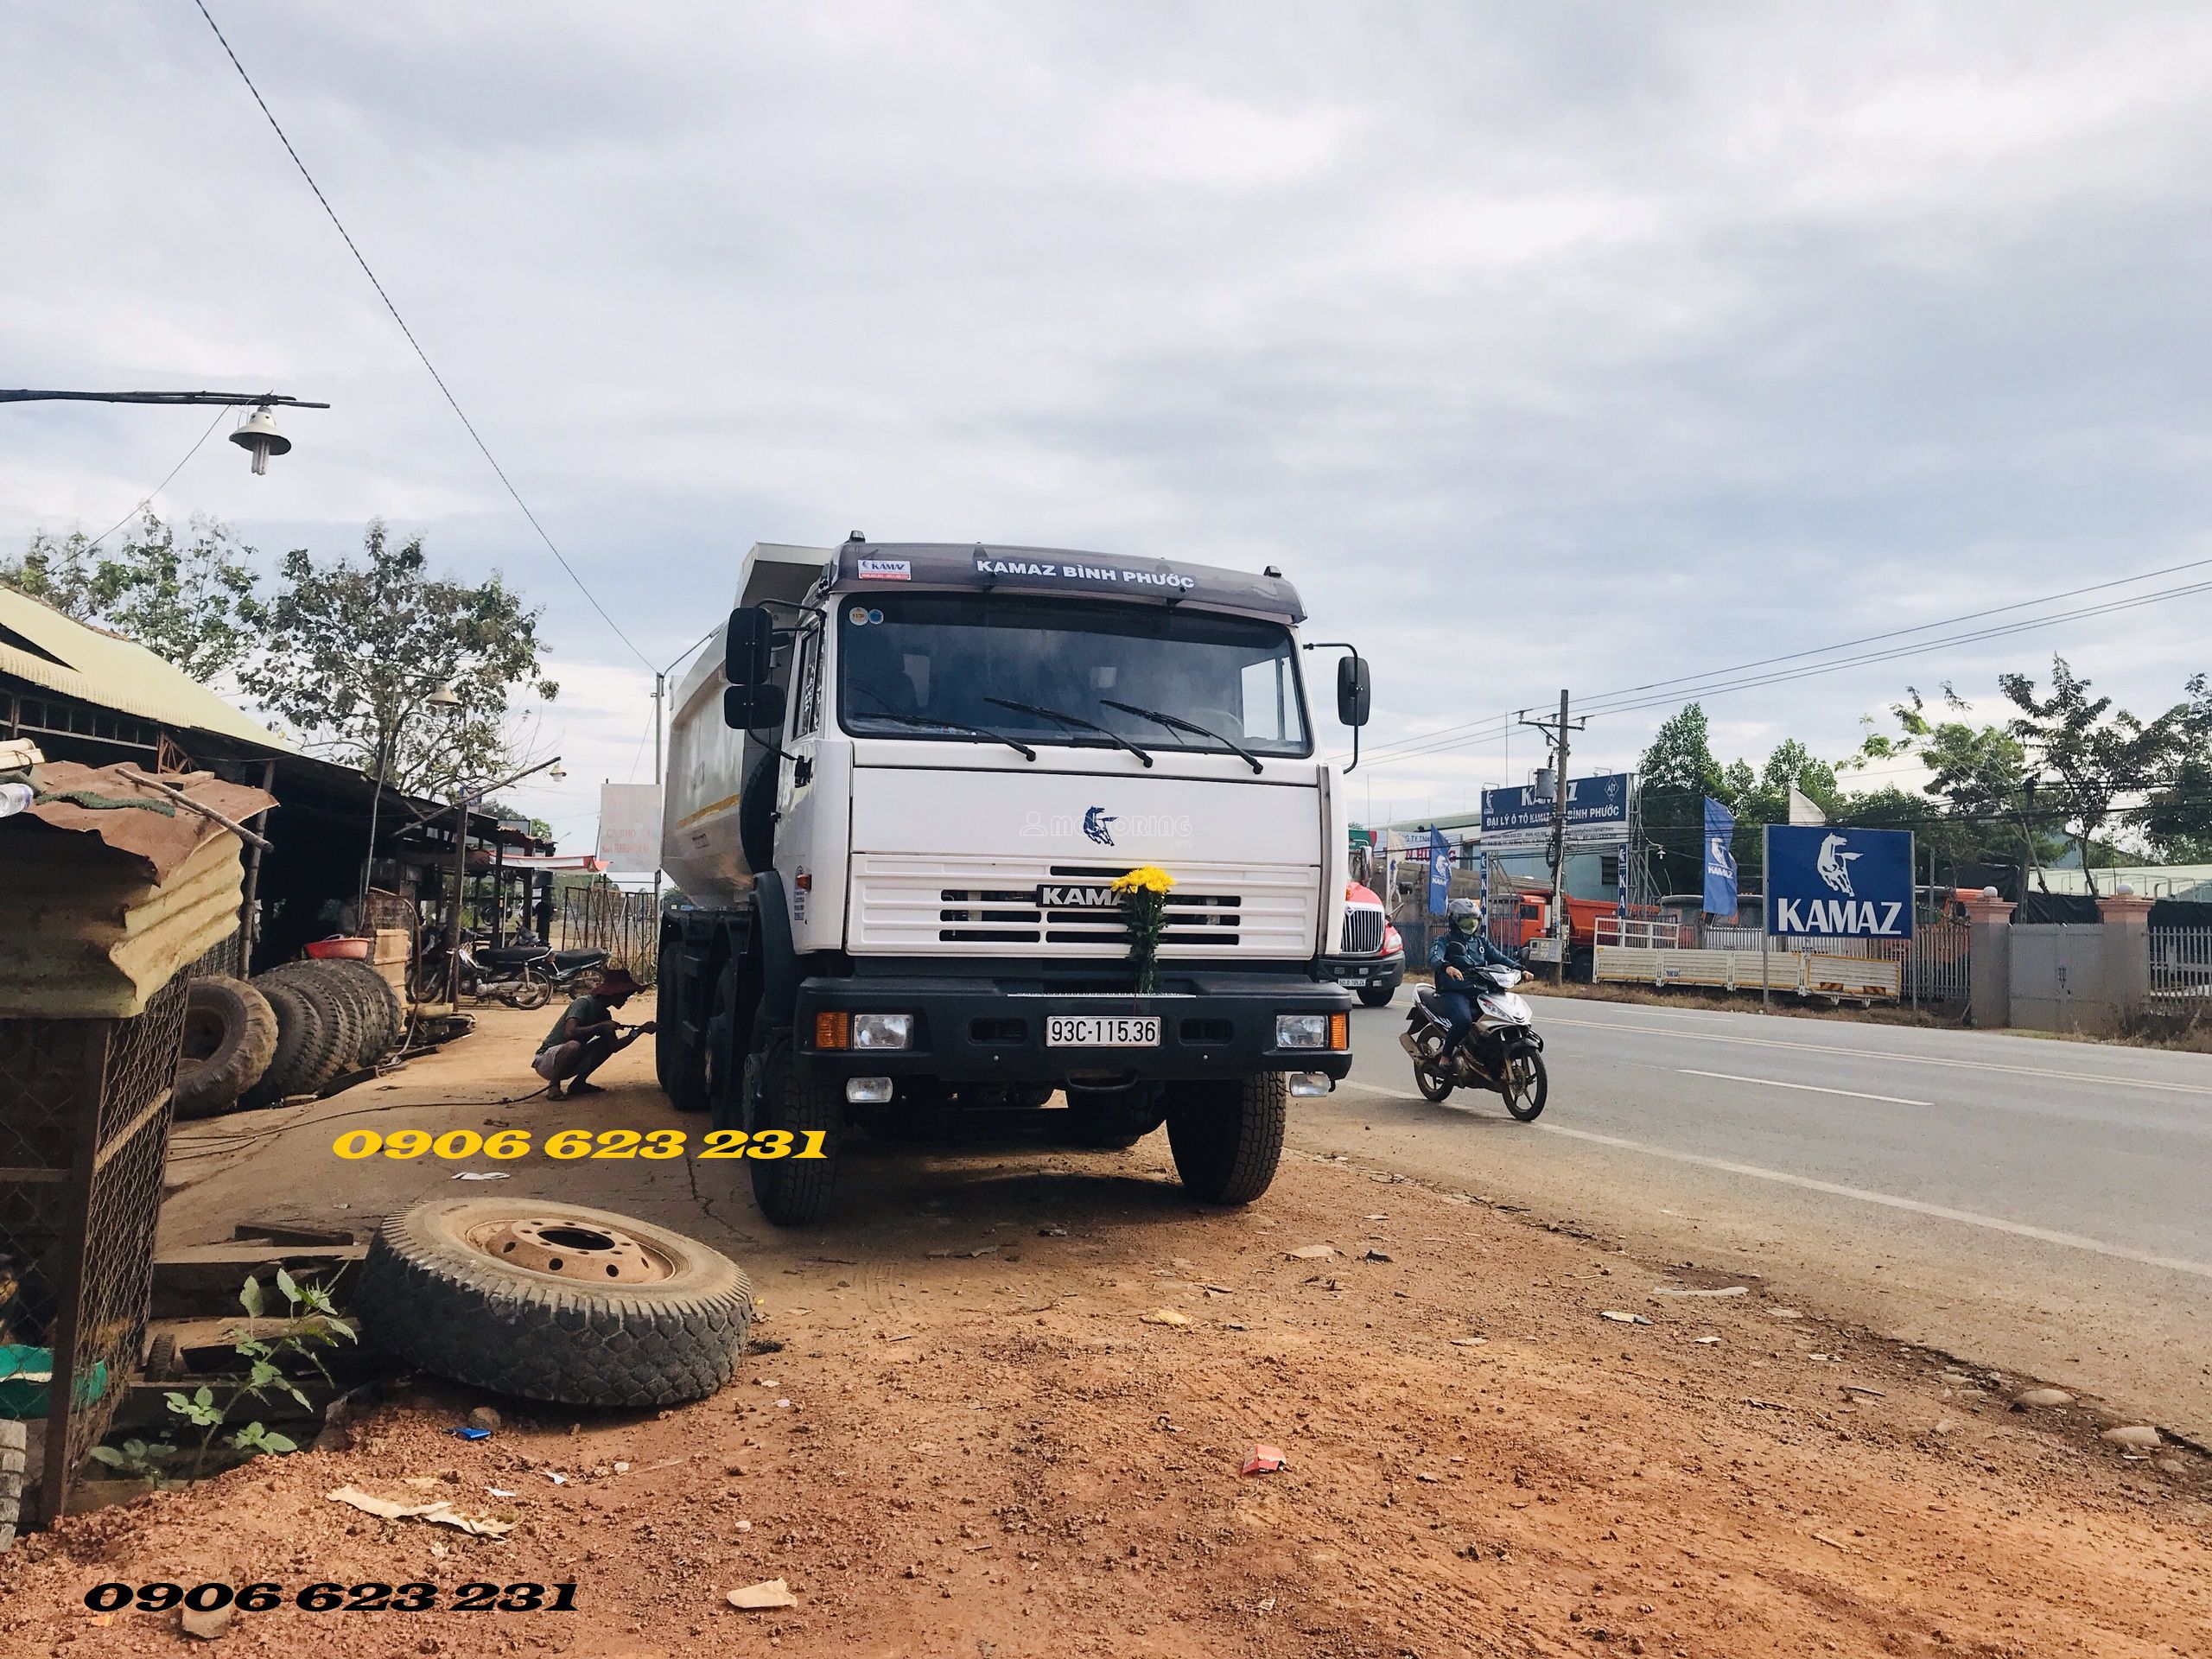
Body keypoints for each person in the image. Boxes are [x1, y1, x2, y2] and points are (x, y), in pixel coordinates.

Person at [531, 968, 655, 1098]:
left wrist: (640, 1030)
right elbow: (570, 1032)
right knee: (574, 1045)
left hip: (569, 1059)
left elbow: (613, 1046)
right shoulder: (583, 1003)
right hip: (547, 1059)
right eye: (624, 996)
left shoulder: (605, 1014)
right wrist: (600, 1026)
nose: (626, 1000)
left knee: (604, 1045)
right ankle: (554, 1086)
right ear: (614, 993)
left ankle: (578, 1084)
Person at [1432, 897, 1518, 1056]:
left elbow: (1499, 958)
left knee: (1501, 1019)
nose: (1471, 924)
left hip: (1480, 991)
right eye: (1466, 920)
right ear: (1454, 921)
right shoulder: (1444, 940)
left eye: (1474, 920)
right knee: (1464, 1021)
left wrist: (1520, 968)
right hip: (1454, 992)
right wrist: (1447, 967)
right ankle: (1446, 1055)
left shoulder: (1481, 942)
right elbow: (1434, 957)